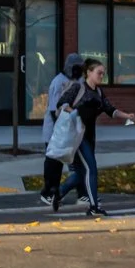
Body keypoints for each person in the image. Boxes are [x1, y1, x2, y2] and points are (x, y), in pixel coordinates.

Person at [50, 59, 132, 218]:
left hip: (89, 136)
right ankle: (94, 206)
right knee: (91, 169)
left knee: (81, 173)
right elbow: (62, 103)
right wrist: (73, 112)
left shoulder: (99, 92)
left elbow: (110, 109)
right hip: (77, 136)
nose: (102, 75)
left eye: (103, 73)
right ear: (88, 72)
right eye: (99, 72)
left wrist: (126, 115)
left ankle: (58, 193)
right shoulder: (78, 87)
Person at [40, 53, 86, 199]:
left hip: (71, 130)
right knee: (54, 164)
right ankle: (48, 192)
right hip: (55, 130)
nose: (79, 72)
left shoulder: (78, 82)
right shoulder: (58, 82)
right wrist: (61, 131)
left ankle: (82, 193)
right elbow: (55, 110)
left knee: (77, 163)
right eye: (77, 68)